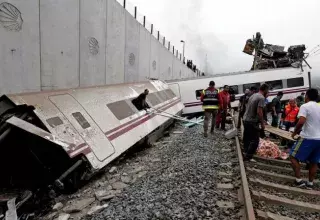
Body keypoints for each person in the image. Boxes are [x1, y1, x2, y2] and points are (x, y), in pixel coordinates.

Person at [290, 88, 320, 188]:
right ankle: (310, 183)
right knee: (314, 161)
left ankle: (299, 180)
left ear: (306, 96)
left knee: (293, 156)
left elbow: (301, 121)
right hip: (319, 139)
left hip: (307, 138)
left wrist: (294, 132)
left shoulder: (305, 106)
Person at [243, 84, 269, 161]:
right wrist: (262, 123)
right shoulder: (261, 98)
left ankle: (246, 152)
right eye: (268, 90)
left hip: (246, 119)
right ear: (265, 90)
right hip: (252, 121)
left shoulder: (253, 95)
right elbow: (259, 111)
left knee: (247, 138)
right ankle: (248, 156)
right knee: (255, 140)